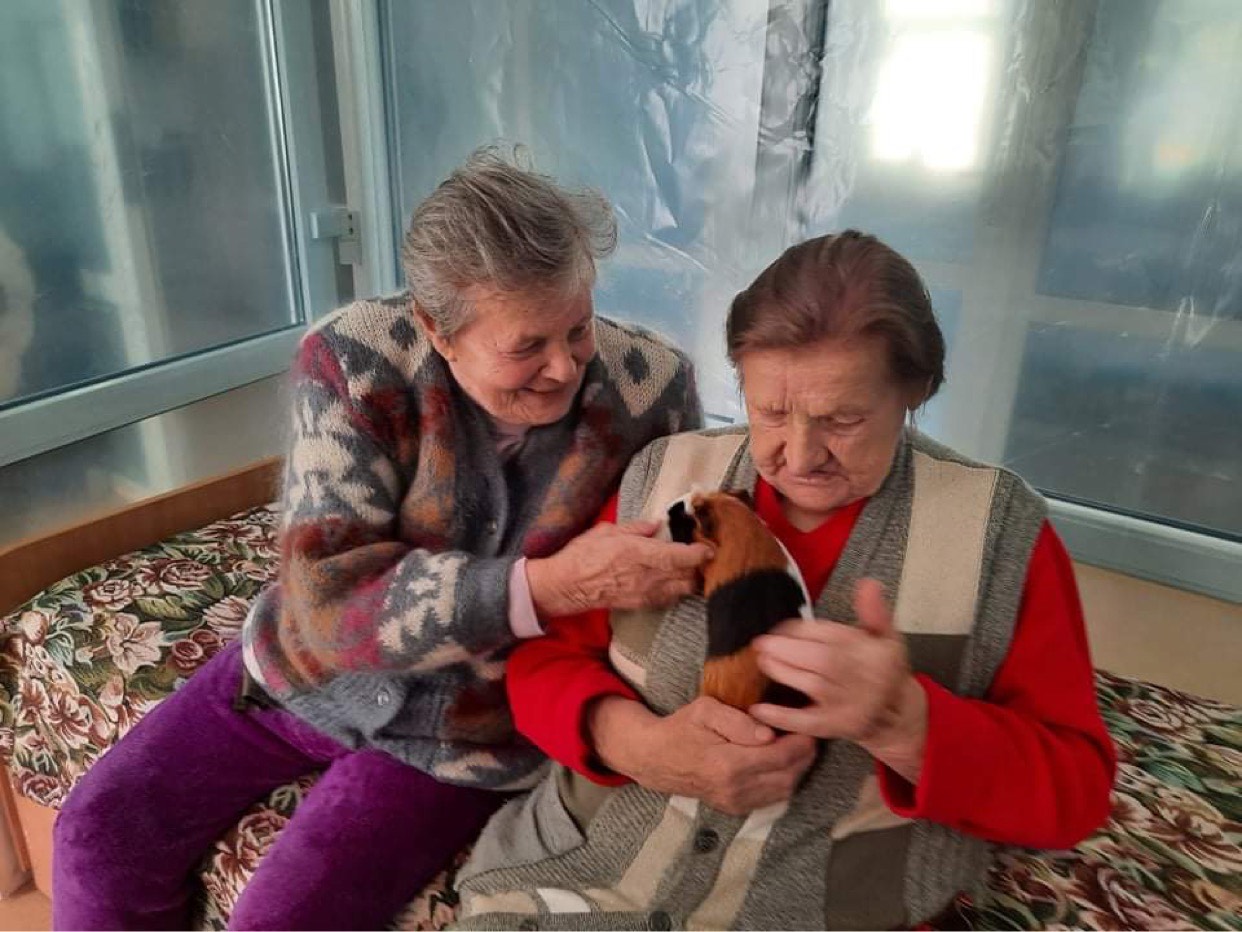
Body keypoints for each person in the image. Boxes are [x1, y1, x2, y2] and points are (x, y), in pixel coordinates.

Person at [51, 147, 721, 930]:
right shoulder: (354, 357)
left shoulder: (654, 386)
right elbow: (326, 603)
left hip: (469, 726)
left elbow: (661, 588)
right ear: (439, 330)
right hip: (302, 675)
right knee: (98, 836)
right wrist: (541, 587)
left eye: (578, 329)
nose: (566, 368)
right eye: (526, 347)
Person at [453, 230, 1117, 931]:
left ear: (915, 391)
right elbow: (543, 662)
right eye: (769, 411)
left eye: (844, 420)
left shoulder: (996, 532)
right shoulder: (666, 476)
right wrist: (636, 744)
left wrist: (907, 724)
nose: (799, 456)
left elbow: (1074, 793)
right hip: (587, 875)